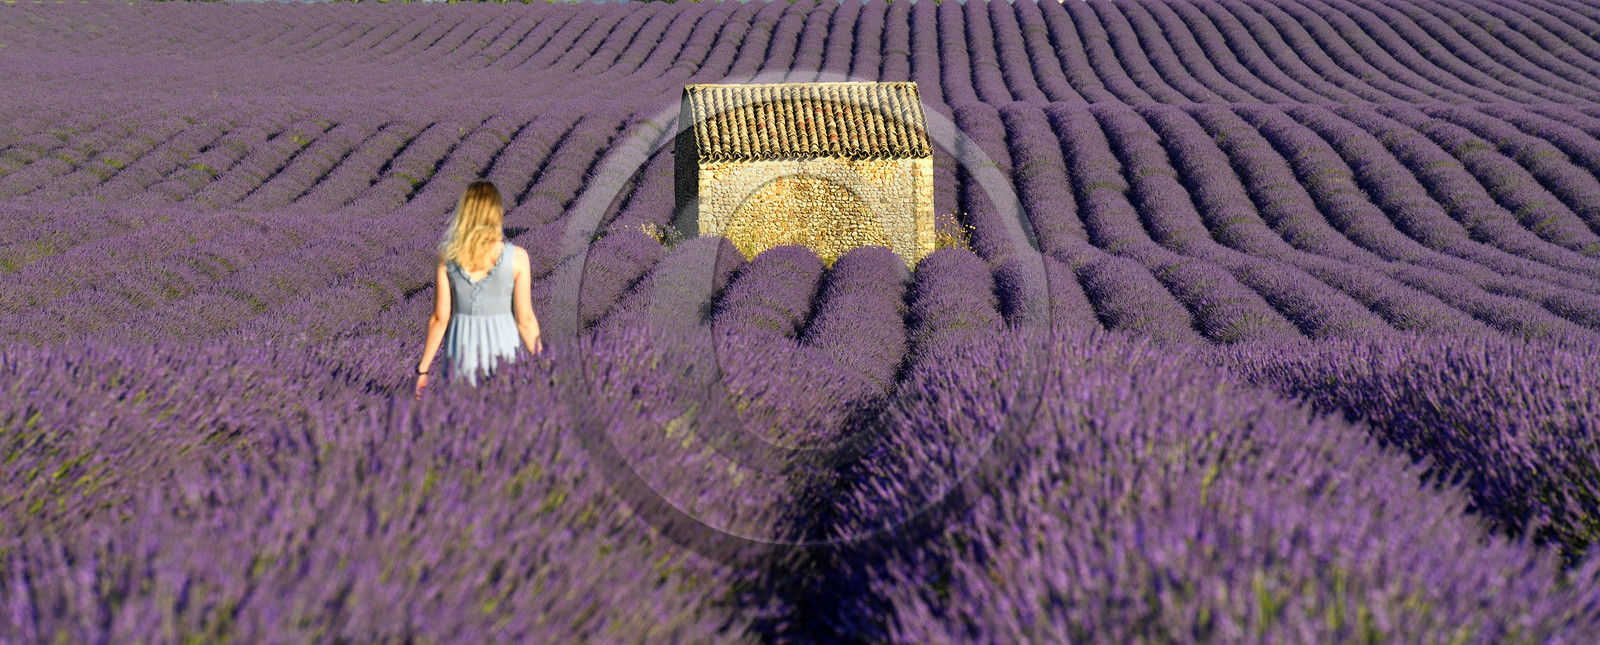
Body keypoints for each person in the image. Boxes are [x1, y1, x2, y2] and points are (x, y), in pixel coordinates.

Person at [416, 180, 542, 397]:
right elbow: (525, 320)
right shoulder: (518, 258)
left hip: (461, 355)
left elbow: (439, 319)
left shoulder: (448, 258)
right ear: (497, 213)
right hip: (504, 355)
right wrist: (543, 363)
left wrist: (423, 370)